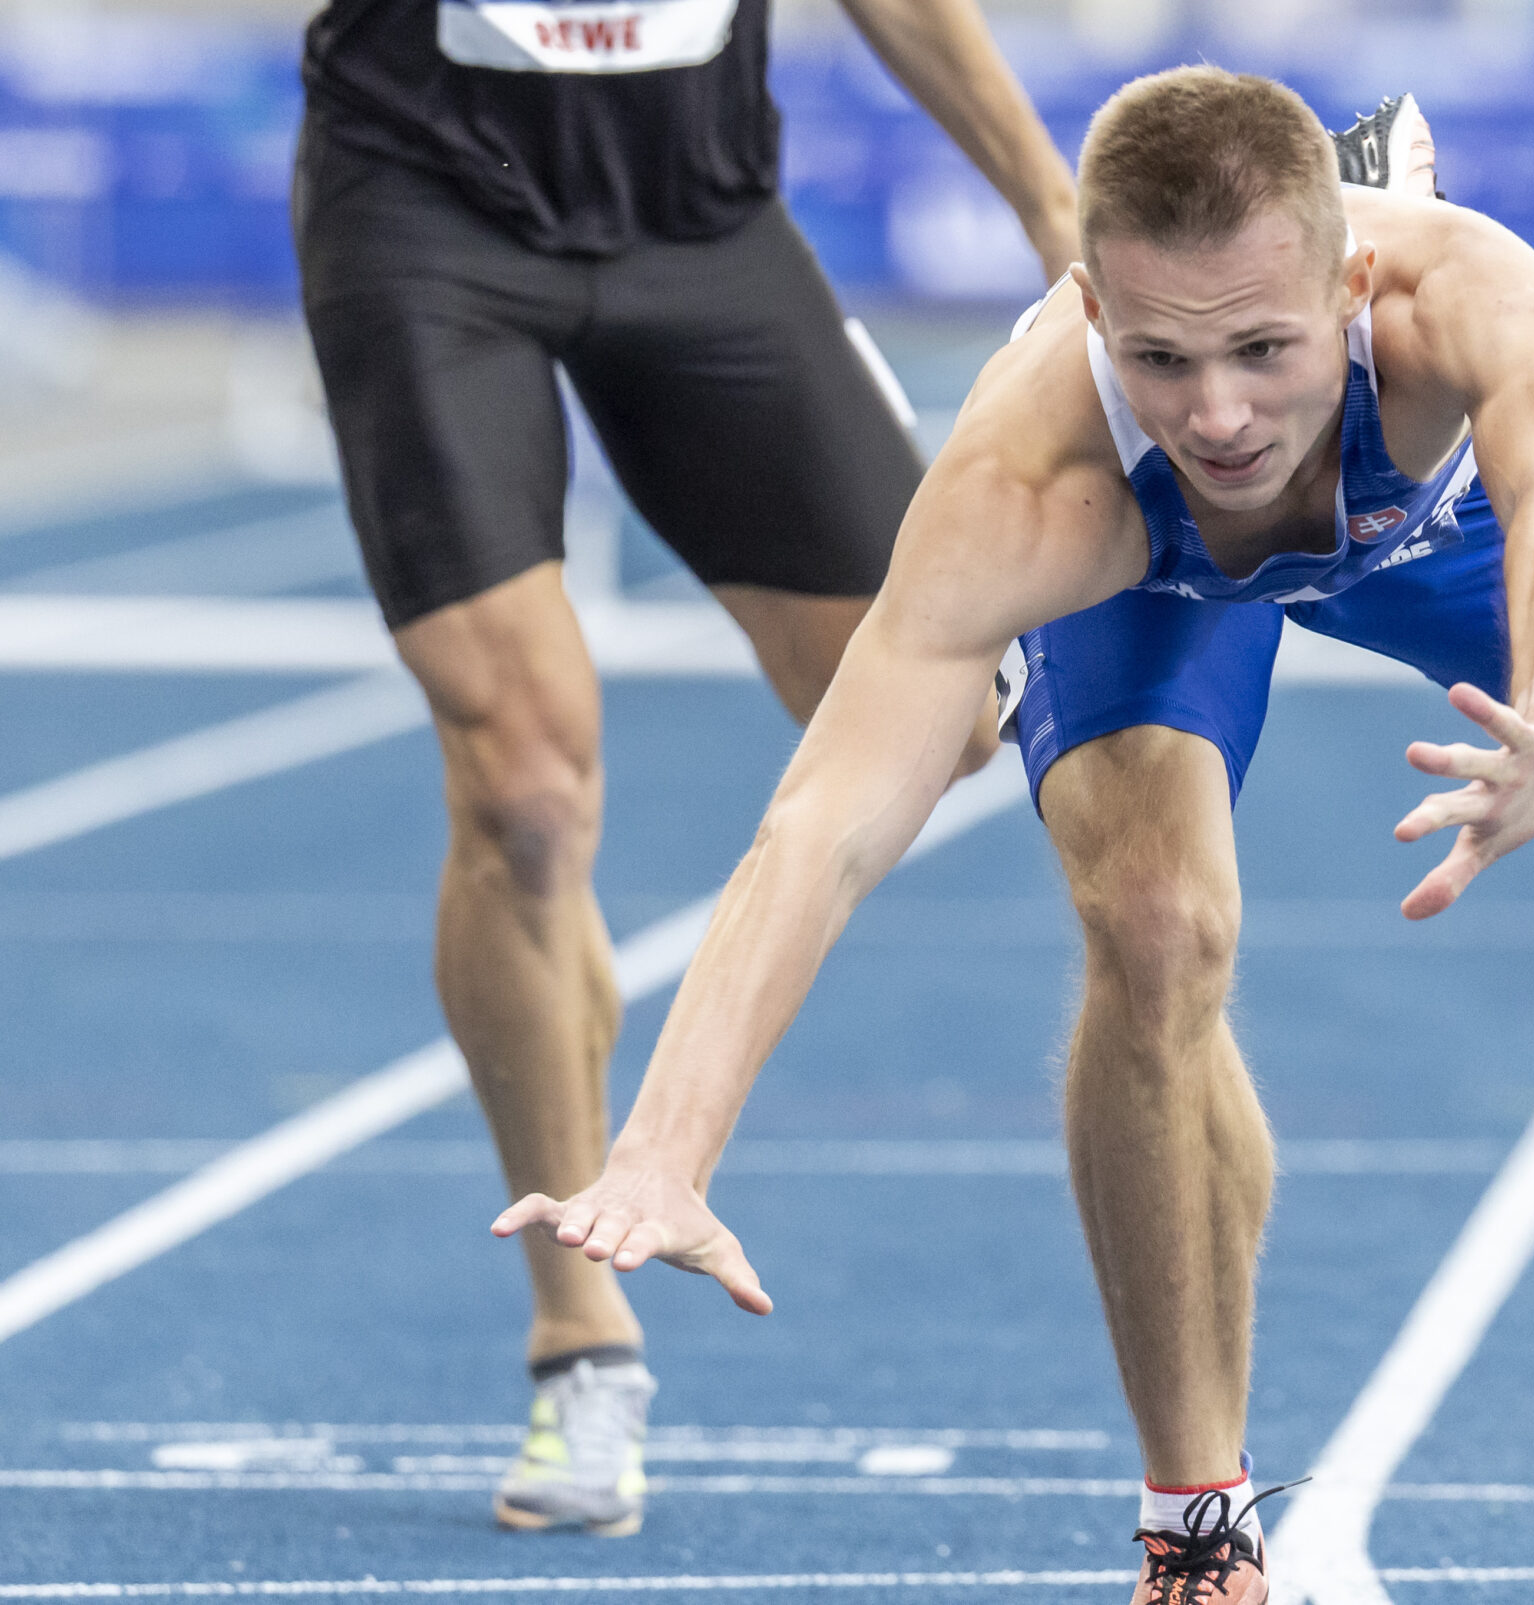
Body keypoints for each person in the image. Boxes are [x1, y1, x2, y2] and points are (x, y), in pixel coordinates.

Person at [494, 65, 1534, 1599]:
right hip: (1147, 566)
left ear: (1348, 283)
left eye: (1264, 349)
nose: (1216, 414)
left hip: (1438, 517)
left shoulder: (1455, 296)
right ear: (1091, 308)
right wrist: (665, 1152)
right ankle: (1196, 1520)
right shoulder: (1031, 472)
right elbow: (821, 828)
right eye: (1159, 356)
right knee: (1154, 926)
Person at [294, 0, 1079, 1537]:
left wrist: (1052, 209)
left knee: (951, 718)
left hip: (698, 208)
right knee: (526, 793)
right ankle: (580, 1334)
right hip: (425, 192)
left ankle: (573, 1016)